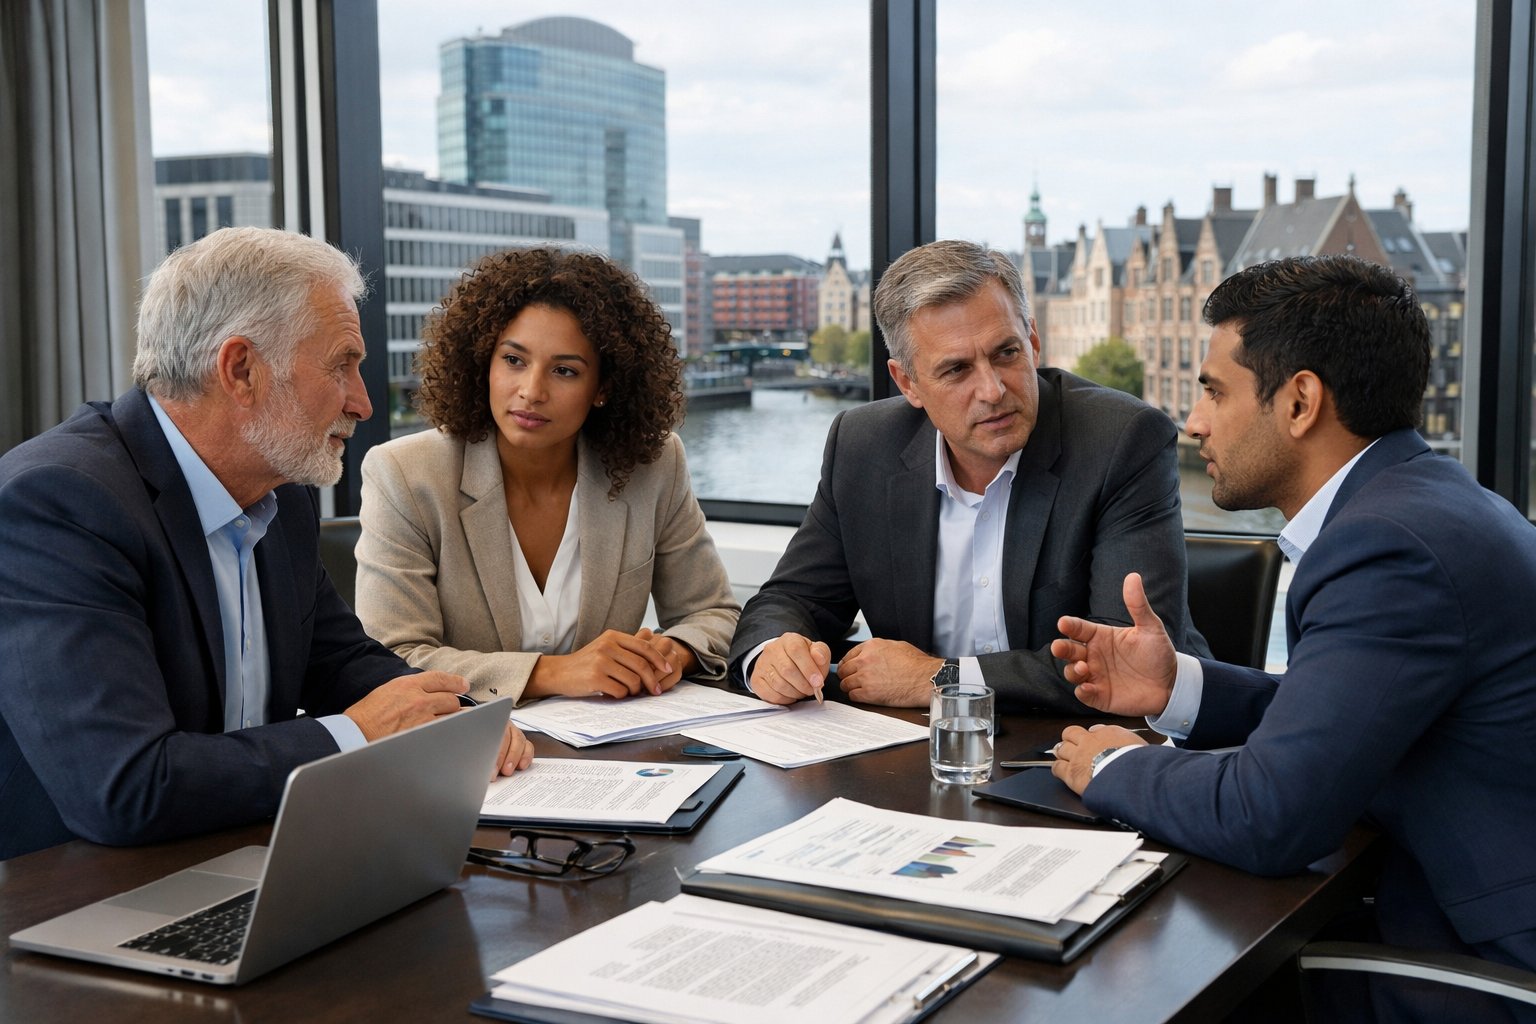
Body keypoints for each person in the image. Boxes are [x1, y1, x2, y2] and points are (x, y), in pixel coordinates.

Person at [1050, 254, 1536, 1022]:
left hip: (1481, 964)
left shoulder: (1387, 546)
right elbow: (1352, 709)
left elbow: (1269, 816)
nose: (1193, 421)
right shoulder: (1431, 502)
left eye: (1213, 390)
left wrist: (1112, 767)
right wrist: (1182, 688)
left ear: (1301, 401)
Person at [0, 227, 532, 861]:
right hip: (79, 893)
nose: (363, 403)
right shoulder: (60, 503)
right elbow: (126, 787)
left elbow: (338, 663)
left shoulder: (281, 491)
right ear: (241, 369)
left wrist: (463, 718)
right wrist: (356, 734)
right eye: (342, 365)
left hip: (245, 850)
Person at [730, 239, 1208, 711]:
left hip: (1084, 752)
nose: (993, 389)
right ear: (907, 383)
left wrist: (940, 678)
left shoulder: (1122, 440)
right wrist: (773, 654)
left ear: (1034, 341)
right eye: (956, 370)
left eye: (1006, 353)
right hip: (916, 756)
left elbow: (1122, 662)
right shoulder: (863, 446)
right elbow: (792, 598)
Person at [354, 248, 738, 704]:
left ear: (604, 388)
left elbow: (712, 612)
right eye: (513, 360)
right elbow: (394, 658)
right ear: (483, 362)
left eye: (564, 371)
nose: (532, 391)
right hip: (472, 750)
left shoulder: (652, 466)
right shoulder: (405, 474)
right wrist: (555, 673)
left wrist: (670, 654)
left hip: (614, 753)